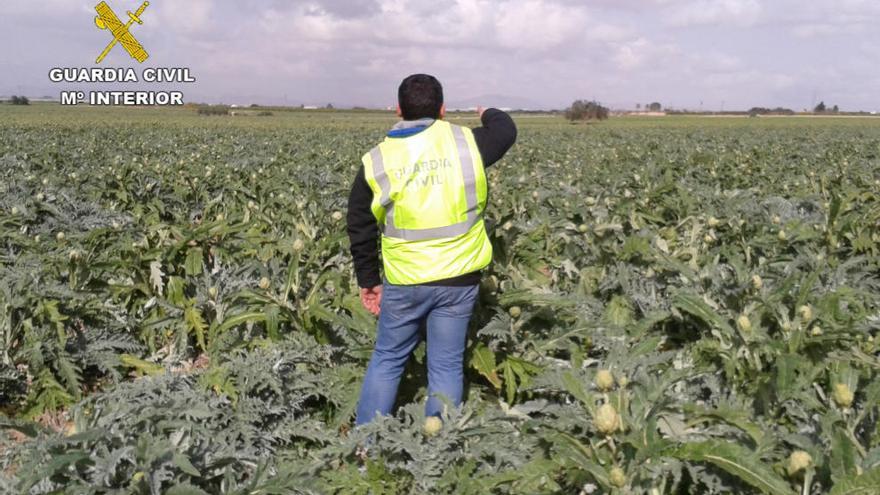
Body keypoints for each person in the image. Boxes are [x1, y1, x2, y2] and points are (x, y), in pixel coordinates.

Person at [346, 74, 517, 425]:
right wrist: (488, 112)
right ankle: (440, 443)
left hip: (407, 280)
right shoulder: (467, 143)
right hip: (460, 278)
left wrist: (368, 279)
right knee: (447, 364)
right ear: (442, 109)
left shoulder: (377, 161)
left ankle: (364, 449)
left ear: (398, 109)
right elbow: (506, 130)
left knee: (388, 359)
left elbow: (359, 225)